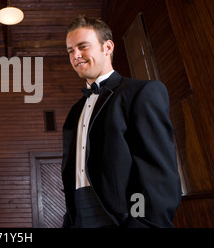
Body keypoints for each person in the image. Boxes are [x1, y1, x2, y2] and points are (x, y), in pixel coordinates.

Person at [61, 15, 181, 228]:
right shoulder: (74, 112)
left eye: (82, 46)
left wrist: (143, 223)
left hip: (123, 219)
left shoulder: (142, 92)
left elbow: (155, 171)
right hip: (78, 218)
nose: (76, 55)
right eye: (71, 51)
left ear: (107, 47)